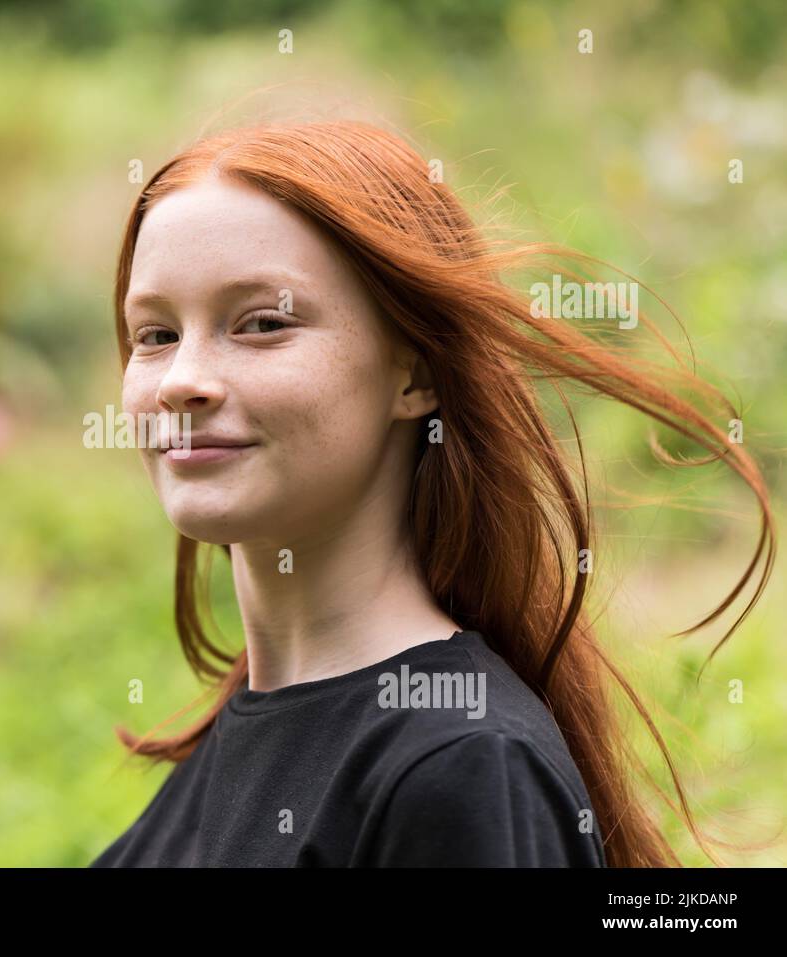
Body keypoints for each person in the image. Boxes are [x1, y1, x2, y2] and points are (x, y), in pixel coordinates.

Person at [90, 120, 774, 867]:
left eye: (262, 323)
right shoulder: (243, 728)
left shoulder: (460, 766)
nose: (183, 379)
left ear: (414, 374)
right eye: (155, 335)